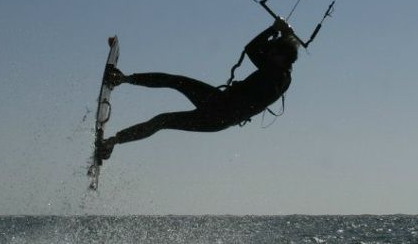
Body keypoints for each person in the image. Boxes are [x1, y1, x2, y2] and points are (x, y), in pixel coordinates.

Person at [99, 19, 300, 159]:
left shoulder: (275, 75)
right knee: (168, 102)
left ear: (282, 58)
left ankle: (119, 92)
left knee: (168, 105)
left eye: (272, 53)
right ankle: (112, 135)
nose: (268, 54)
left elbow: (253, 49)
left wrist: (274, 29)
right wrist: (282, 34)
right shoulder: (280, 73)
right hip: (220, 115)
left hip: (219, 109)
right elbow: (257, 50)